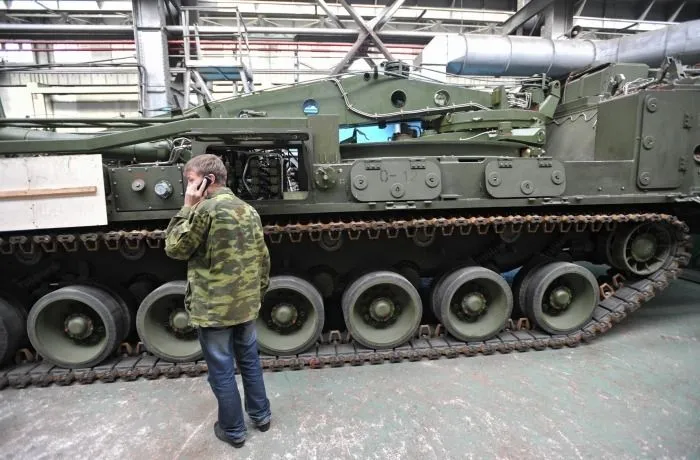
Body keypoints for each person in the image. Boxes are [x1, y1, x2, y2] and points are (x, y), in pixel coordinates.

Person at [164, 153, 272, 449]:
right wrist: (256, 297)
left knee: (222, 370)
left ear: (208, 180)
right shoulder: (249, 210)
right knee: (250, 361)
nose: (188, 186)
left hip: (214, 310)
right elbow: (263, 258)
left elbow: (174, 248)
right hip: (245, 305)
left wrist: (187, 207)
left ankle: (233, 430)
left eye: (191, 180)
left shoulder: (204, 210)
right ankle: (261, 416)